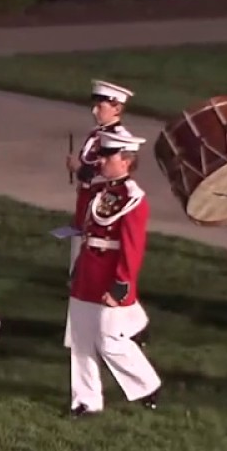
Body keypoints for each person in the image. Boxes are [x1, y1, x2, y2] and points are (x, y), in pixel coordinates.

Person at [66, 128, 161, 416]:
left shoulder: (134, 199)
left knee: (108, 339)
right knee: (81, 340)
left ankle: (146, 383)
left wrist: (121, 283)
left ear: (127, 161)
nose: (102, 161)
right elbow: (82, 222)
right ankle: (86, 399)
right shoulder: (99, 190)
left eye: (109, 156)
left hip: (110, 276)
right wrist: (84, 182)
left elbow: (132, 246)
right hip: (88, 271)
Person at [62, 80, 133, 349]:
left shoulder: (117, 140)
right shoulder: (97, 135)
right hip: (86, 212)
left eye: (100, 105)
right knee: (80, 274)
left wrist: (79, 169)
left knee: (91, 276)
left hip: (100, 218)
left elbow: (107, 177)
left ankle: (119, 330)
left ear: (116, 107)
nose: (95, 111)